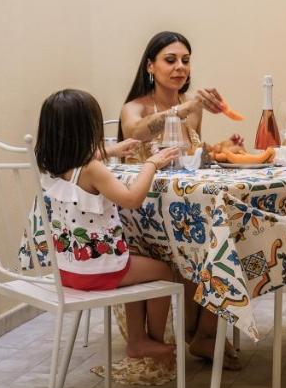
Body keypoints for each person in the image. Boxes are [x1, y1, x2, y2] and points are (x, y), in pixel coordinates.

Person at [119, 31, 245, 369]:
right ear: (150, 66)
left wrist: (222, 149)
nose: (180, 68)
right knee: (205, 234)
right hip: (142, 212)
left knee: (224, 231)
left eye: (185, 61)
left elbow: (192, 158)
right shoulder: (135, 107)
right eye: (170, 60)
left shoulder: (193, 110)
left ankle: (204, 331)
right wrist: (185, 107)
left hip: (181, 206)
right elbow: (136, 133)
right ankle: (194, 333)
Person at [34, 89, 180, 362]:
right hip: (97, 271)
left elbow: (84, 165)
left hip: (67, 270)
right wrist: (151, 163)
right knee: (162, 270)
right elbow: (132, 199)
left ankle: (138, 340)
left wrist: (111, 151)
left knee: (135, 262)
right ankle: (149, 342)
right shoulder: (92, 169)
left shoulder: (51, 165)